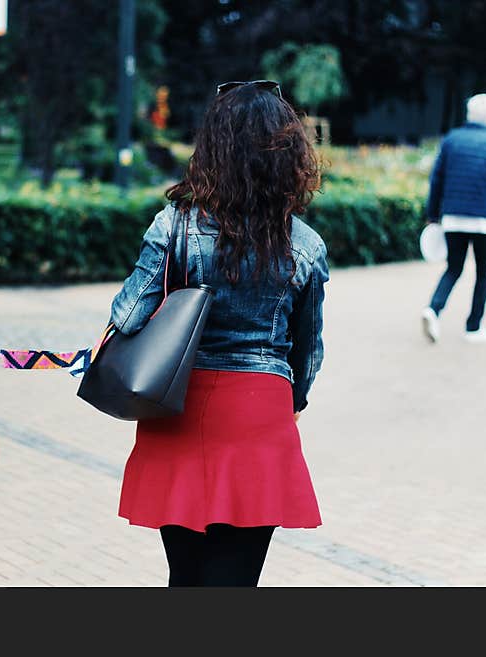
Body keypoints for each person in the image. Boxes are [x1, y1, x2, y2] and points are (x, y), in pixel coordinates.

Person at [112, 80, 327, 587]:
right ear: (289, 154)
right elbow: (309, 348)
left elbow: (126, 316)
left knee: (184, 576)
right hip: (260, 409)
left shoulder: (174, 226)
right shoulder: (306, 245)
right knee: (237, 581)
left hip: (179, 402)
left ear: (213, 147)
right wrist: (295, 395)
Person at [422, 94, 486, 345]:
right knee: (483, 272)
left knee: (453, 267)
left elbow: (436, 180)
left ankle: (433, 309)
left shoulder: (451, 140)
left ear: (469, 114)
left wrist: (432, 215)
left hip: (453, 217)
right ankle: (474, 327)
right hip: (484, 219)